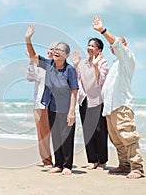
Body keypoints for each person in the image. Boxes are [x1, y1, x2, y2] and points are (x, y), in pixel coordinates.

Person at [92, 16, 145, 179]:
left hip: (122, 105)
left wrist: (103, 30)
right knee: (117, 139)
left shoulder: (127, 57)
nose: (113, 46)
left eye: (116, 44)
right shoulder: (116, 64)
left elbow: (116, 44)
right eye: (111, 46)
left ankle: (137, 167)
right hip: (110, 107)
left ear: (125, 45)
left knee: (128, 136)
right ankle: (124, 165)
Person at [25, 25, 79, 175]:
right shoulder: (48, 64)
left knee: (67, 137)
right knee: (56, 137)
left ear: (66, 55)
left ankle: (67, 166)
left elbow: (74, 91)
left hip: (66, 108)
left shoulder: (70, 70)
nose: (56, 52)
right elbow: (33, 56)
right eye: (56, 50)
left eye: (60, 50)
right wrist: (28, 39)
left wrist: (72, 111)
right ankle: (58, 164)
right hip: (52, 107)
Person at [72, 38, 109, 170]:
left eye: (93, 46)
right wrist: (76, 65)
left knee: (100, 130)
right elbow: (76, 79)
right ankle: (92, 160)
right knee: (88, 130)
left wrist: (95, 65)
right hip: (84, 100)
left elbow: (101, 81)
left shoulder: (103, 62)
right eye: (88, 45)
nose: (89, 47)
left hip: (98, 99)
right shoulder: (82, 63)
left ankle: (102, 160)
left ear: (99, 50)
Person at [26, 43, 57, 168]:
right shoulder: (39, 65)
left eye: (54, 50)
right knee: (43, 134)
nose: (50, 51)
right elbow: (29, 78)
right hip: (40, 104)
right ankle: (47, 161)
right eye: (49, 49)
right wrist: (31, 61)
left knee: (57, 133)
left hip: (55, 104)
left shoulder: (59, 67)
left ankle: (61, 160)